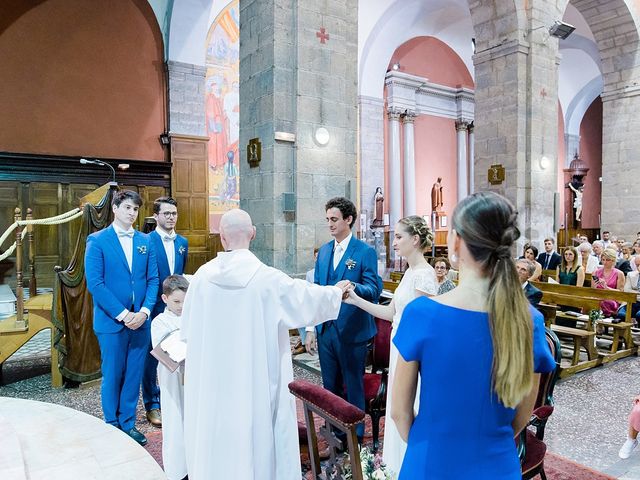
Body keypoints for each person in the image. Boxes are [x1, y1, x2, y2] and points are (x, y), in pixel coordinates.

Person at [390, 191, 555, 479]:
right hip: (496, 465)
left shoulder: (422, 313)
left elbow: (399, 414)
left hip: (430, 461)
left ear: (456, 241)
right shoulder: (529, 320)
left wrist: (431, 444)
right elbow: (520, 417)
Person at [181, 209, 349, 480]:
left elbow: (187, 330)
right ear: (254, 234)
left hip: (213, 381)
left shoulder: (200, 278)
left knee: (215, 436)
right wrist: (336, 292)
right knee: (256, 437)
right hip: (253, 381)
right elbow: (306, 298)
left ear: (221, 237)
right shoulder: (268, 279)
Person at [343, 216, 436, 474]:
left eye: (398, 237)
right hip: (399, 348)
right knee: (396, 407)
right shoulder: (409, 272)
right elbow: (390, 313)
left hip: (412, 353)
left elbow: (423, 326)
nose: (393, 242)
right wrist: (355, 300)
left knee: (406, 406)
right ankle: (394, 468)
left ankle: (412, 468)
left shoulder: (426, 276)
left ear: (415, 240)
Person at [305, 197, 383, 443]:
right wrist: (311, 328)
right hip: (326, 330)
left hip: (352, 331)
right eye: (327, 219)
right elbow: (317, 289)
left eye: (334, 219)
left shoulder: (364, 252)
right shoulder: (325, 250)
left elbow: (374, 289)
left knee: (353, 386)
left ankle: (355, 437)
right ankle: (335, 433)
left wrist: (353, 286)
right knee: (330, 387)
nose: (329, 224)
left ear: (348, 220)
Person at [84, 190, 159, 446]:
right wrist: (124, 314)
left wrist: (145, 311)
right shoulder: (97, 240)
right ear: (115, 208)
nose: (131, 213)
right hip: (111, 321)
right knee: (113, 373)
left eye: (135, 209)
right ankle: (111, 425)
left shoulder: (145, 241)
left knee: (134, 375)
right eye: (127, 207)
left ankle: (128, 423)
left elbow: (152, 280)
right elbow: (95, 283)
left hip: (141, 321)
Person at [143, 197, 189, 427]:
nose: (171, 217)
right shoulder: (147, 241)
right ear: (156, 216)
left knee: (180, 351)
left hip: (176, 306)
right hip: (153, 305)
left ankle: (178, 399)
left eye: (174, 213)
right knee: (153, 357)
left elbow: (180, 276)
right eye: (167, 213)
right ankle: (153, 404)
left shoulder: (182, 242)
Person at [151, 275, 189, 480]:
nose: (181, 306)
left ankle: (195, 463)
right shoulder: (160, 322)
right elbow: (164, 352)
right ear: (165, 299)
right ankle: (177, 470)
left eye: (185, 301)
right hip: (172, 378)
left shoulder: (194, 317)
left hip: (193, 378)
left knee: (193, 420)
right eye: (176, 302)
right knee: (176, 420)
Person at [592, 248, 625, 317]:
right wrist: (595, 285)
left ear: (613, 260)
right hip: (598, 297)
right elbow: (592, 290)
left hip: (612, 298)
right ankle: (594, 322)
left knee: (604, 302)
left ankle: (599, 320)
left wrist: (606, 287)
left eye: (607, 260)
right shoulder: (596, 272)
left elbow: (620, 292)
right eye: (603, 260)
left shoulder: (619, 273)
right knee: (592, 301)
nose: (604, 262)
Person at [616, 256, 640, 325]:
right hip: (630, 302)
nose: (638, 267)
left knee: (639, 315)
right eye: (637, 265)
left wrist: (633, 293)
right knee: (621, 315)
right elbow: (627, 291)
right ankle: (624, 334)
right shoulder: (631, 274)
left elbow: (630, 292)